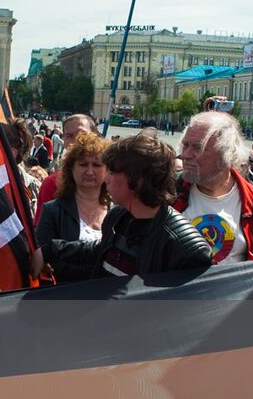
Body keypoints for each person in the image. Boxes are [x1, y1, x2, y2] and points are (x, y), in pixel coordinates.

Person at [45, 134, 211, 280]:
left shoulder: (185, 248)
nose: (105, 179)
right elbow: (102, 249)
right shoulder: (118, 216)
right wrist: (49, 250)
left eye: (111, 172)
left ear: (136, 179)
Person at [175, 111, 253, 264]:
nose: (185, 155)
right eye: (185, 145)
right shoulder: (167, 193)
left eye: (198, 147)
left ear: (226, 154)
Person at [36, 131, 110, 283]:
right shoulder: (52, 211)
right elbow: (44, 264)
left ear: (107, 170)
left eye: (96, 164)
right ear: (71, 168)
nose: (89, 171)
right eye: (83, 164)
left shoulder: (119, 211)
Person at [35, 114, 99, 214]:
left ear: (95, 136)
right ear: (64, 142)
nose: (77, 140)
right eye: (69, 136)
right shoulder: (52, 184)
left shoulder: (110, 179)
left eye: (83, 134)